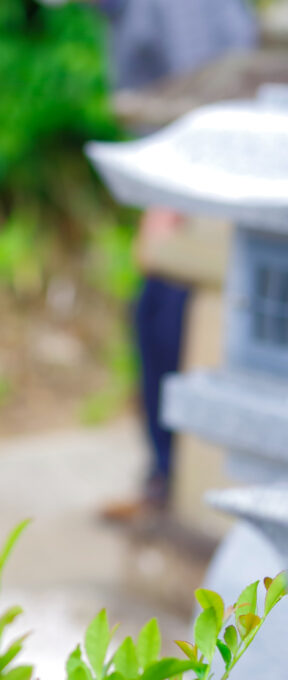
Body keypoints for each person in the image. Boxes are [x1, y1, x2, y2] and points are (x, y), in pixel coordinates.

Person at [92, 0, 256, 518]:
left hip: (210, 171)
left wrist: (168, 204)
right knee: (158, 316)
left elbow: (209, 87)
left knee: (163, 319)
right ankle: (166, 478)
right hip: (190, 170)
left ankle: (172, 484)